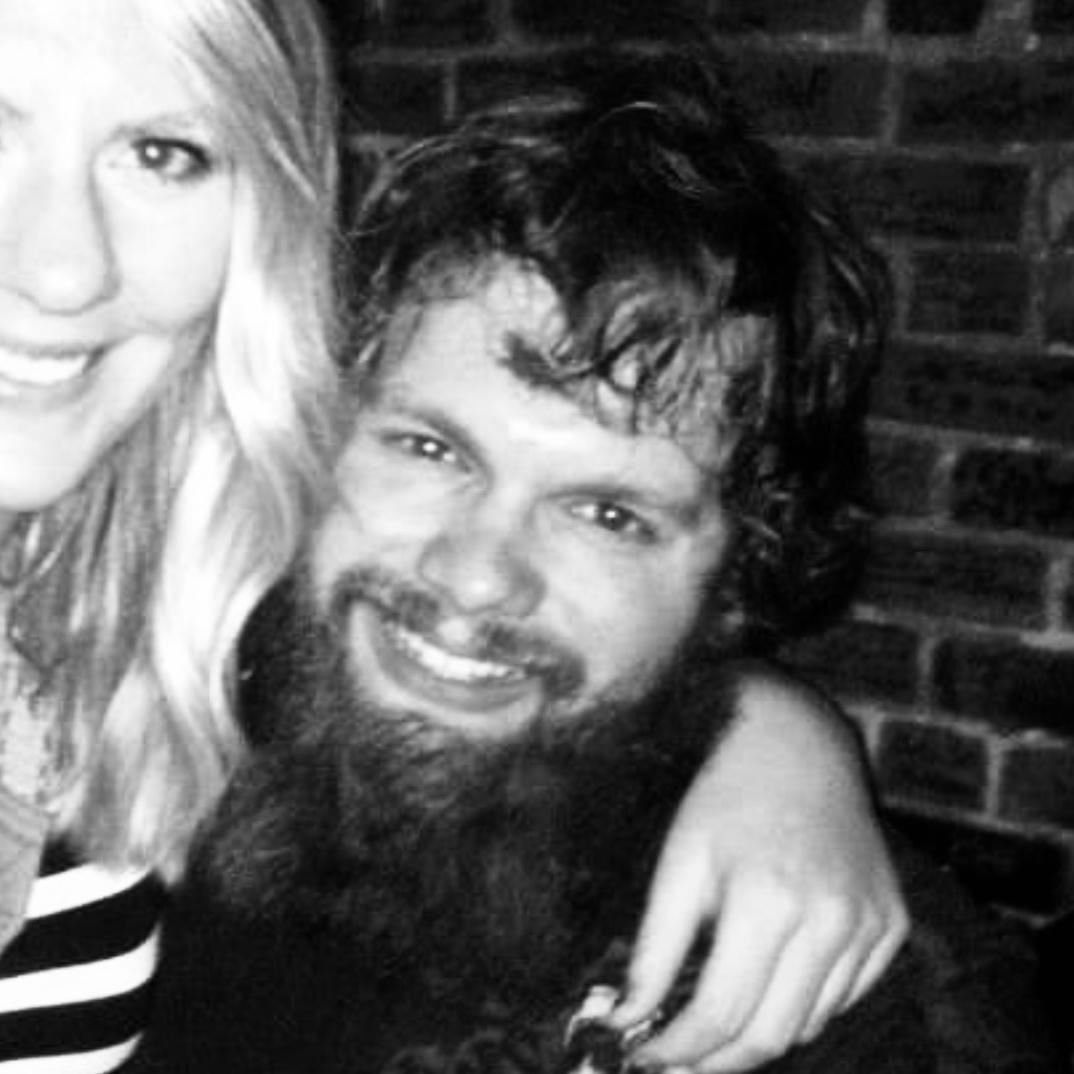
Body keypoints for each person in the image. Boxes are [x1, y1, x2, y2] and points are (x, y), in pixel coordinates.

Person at [0, 4, 902, 1071]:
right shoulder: (201, 683)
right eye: (431, 450)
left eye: (608, 516)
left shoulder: (136, 661)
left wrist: (778, 730)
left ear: (736, 580)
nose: (477, 576)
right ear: (316, 427)